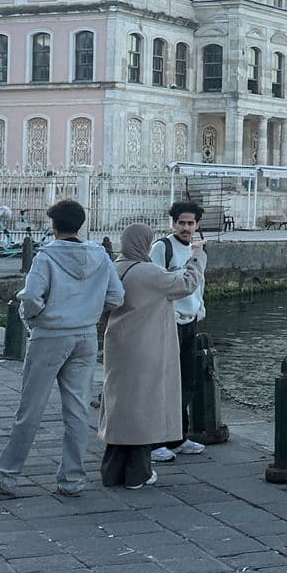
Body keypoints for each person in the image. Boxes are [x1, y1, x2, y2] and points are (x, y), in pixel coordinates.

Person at [0, 199, 124, 498]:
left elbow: (32, 296)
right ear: (81, 223)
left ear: (54, 225)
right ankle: (72, 478)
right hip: (85, 336)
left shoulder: (46, 257)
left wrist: (35, 318)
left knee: (30, 408)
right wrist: (91, 312)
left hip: (50, 335)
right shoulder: (100, 255)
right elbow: (116, 296)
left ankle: (7, 476)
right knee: (77, 409)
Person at [99, 223, 205, 488]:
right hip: (145, 347)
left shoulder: (114, 268)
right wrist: (197, 257)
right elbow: (186, 283)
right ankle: (138, 472)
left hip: (117, 345)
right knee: (142, 407)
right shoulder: (148, 272)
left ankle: (112, 471)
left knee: (119, 405)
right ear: (145, 244)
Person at [151, 198, 209, 465]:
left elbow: (198, 284)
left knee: (187, 380)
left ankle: (178, 436)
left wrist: (200, 308)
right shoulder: (162, 248)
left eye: (190, 223)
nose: (186, 227)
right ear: (173, 223)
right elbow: (154, 283)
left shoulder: (197, 251)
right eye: (181, 223)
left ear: (197, 225)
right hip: (168, 321)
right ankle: (156, 441)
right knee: (164, 381)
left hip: (190, 321)